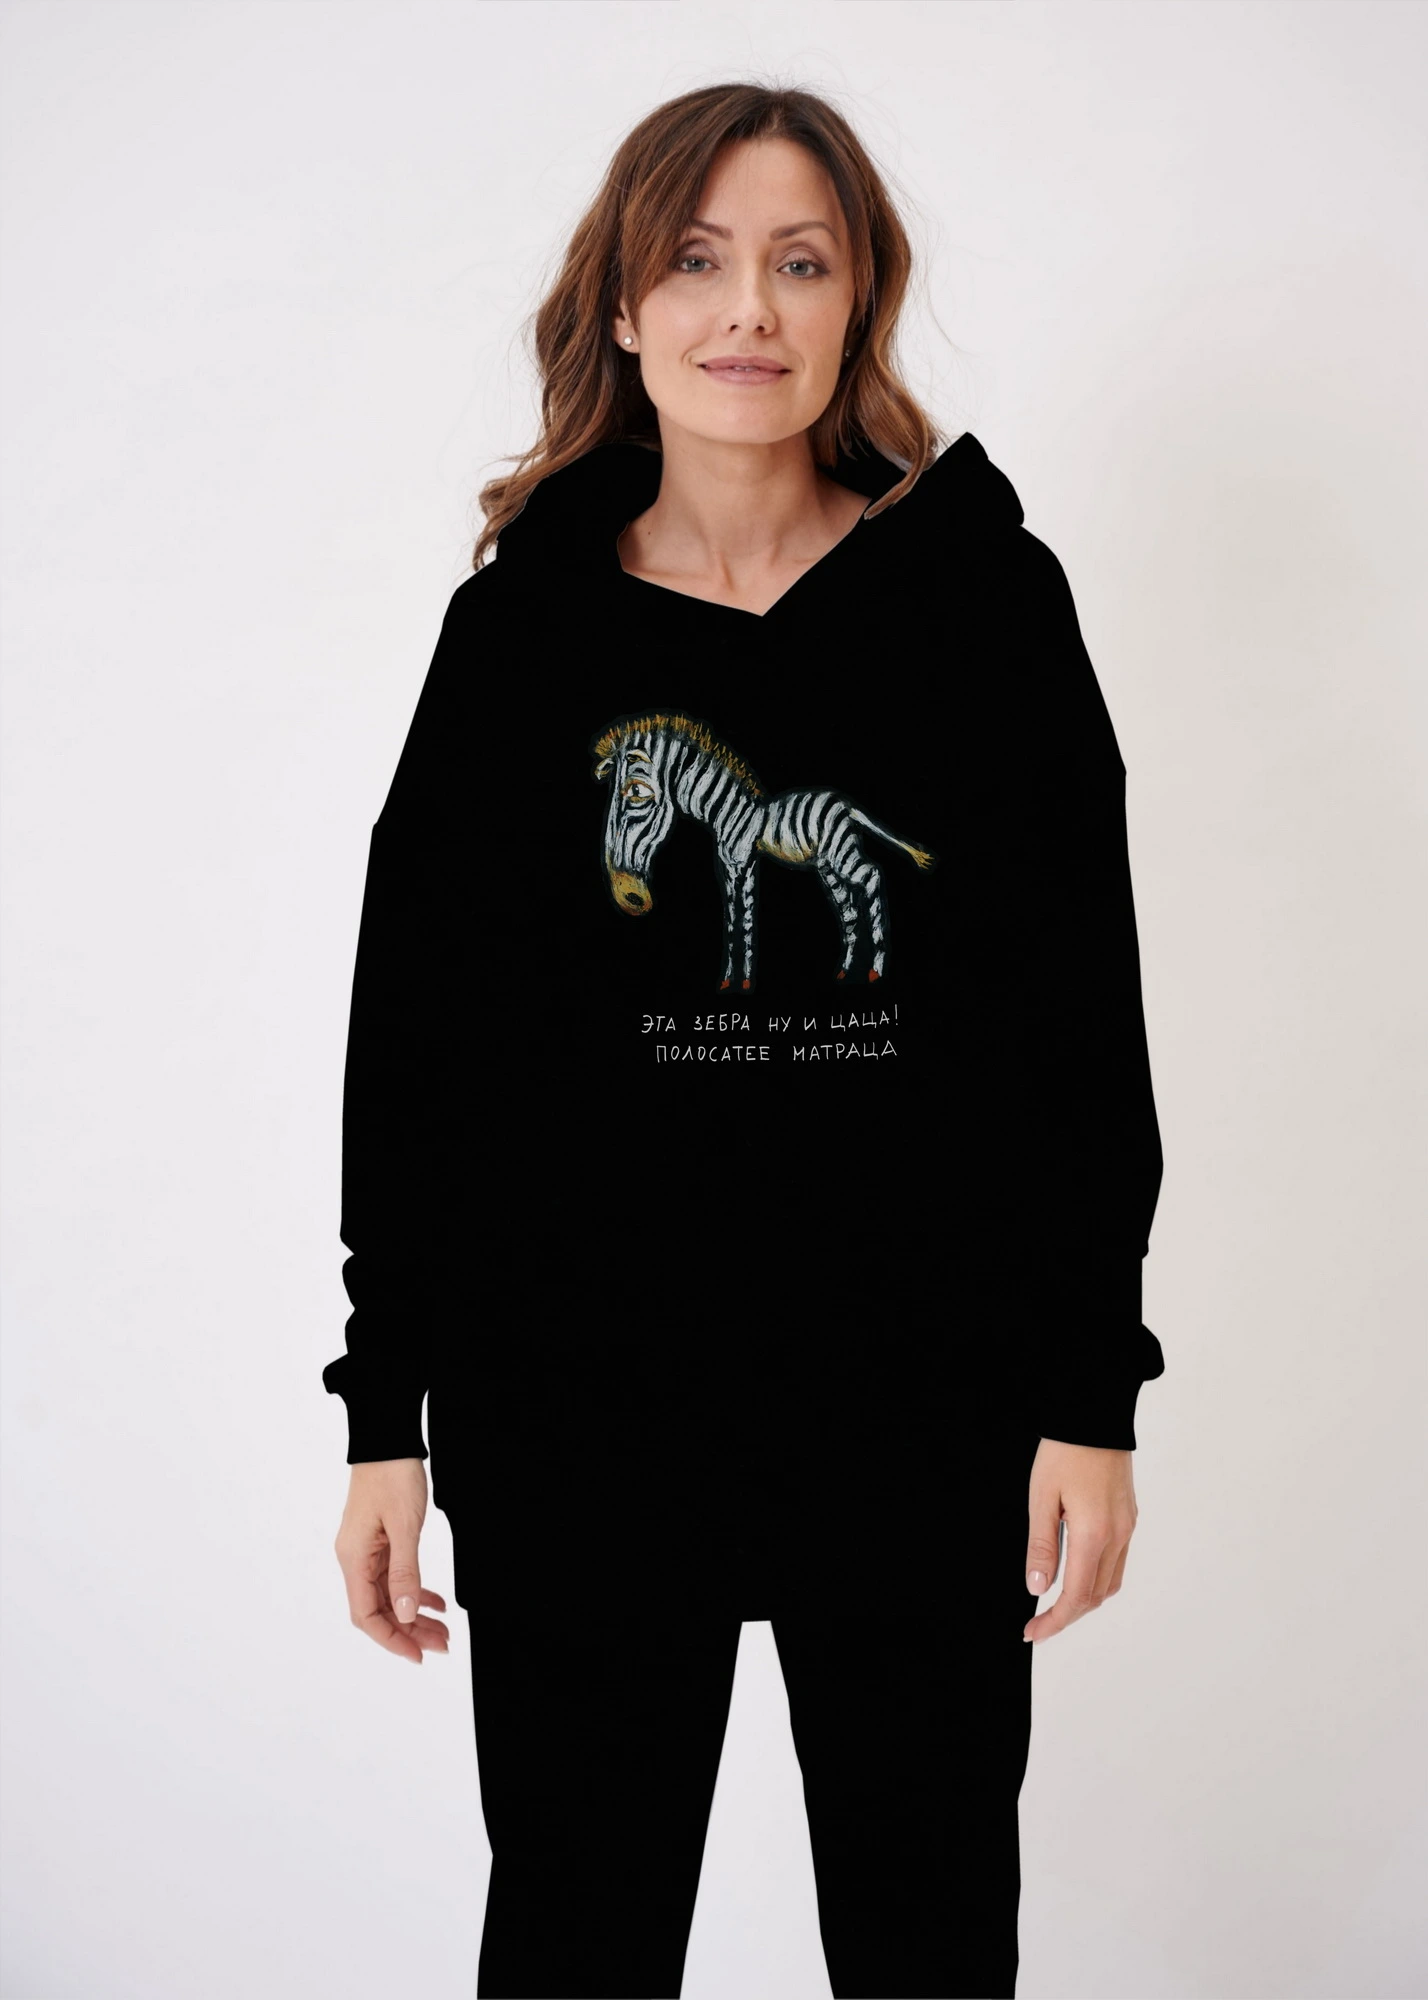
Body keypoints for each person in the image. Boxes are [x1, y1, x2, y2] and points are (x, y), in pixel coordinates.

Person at [323, 81, 1165, 2000]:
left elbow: (1074, 1025)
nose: (749, 312)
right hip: (579, 1412)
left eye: (801, 262)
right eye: (697, 261)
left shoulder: (987, 605)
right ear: (624, 306)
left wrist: (1092, 1388)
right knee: (577, 1936)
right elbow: (422, 1048)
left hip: (924, 1401)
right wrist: (386, 1414)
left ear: (860, 299)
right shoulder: (519, 641)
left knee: (931, 1938)